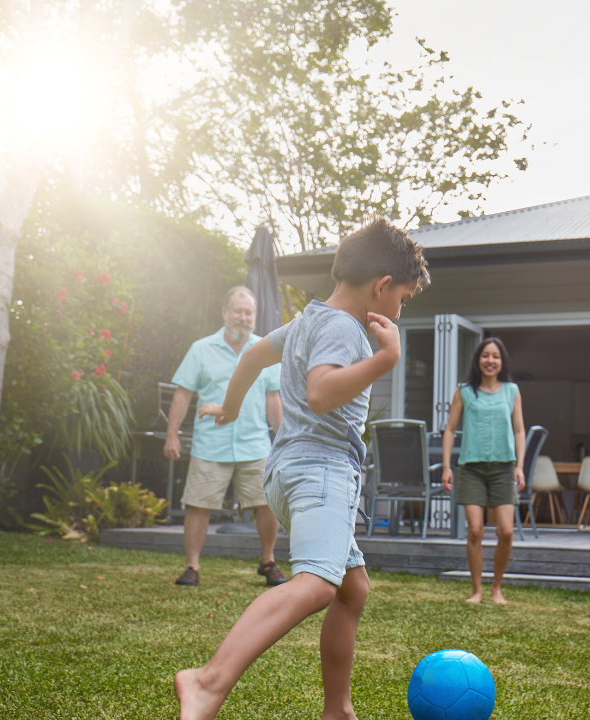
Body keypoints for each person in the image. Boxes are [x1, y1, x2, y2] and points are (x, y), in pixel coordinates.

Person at [175, 218, 429, 720]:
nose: (398, 309)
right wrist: (387, 358)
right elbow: (321, 390)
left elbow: (250, 357)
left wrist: (228, 408)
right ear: (381, 286)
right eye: (402, 297)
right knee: (316, 584)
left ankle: (338, 709)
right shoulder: (343, 326)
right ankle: (207, 681)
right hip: (322, 471)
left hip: (287, 470)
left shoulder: (309, 319)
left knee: (352, 587)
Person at [165, 286, 286, 588]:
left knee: (268, 502)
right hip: (211, 443)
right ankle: (192, 567)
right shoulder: (201, 349)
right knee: (198, 504)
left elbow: (274, 399)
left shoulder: (266, 350)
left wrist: (283, 437)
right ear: (225, 313)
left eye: (249, 313)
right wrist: (172, 435)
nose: (243, 318)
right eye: (238, 311)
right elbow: (183, 394)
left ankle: (268, 561)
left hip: (255, 441)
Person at [441, 337, 526, 605]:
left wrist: (520, 466)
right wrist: (446, 466)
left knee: (506, 532)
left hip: (503, 468)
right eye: (485, 356)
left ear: (502, 362)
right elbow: (450, 430)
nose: (490, 360)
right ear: (478, 360)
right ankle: (477, 590)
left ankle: (496, 587)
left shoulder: (512, 391)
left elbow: (519, 430)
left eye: (496, 356)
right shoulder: (464, 391)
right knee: (475, 530)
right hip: (471, 469)